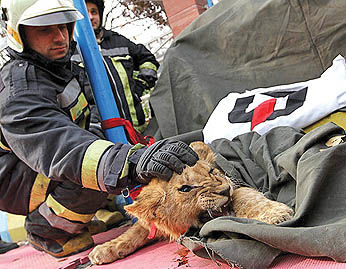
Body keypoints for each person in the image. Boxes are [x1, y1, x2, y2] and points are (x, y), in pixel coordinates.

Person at [0, 0, 198, 258]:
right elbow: (60, 147)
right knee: (95, 172)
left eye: (64, 27)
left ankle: (73, 217)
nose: (60, 37)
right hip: (15, 179)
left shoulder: (56, 67)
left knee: (106, 162)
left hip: (34, 166)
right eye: (45, 30)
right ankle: (47, 230)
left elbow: (90, 110)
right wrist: (132, 162)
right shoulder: (20, 89)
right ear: (19, 34)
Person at [73, 0, 159, 136]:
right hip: (103, 134)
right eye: (85, 13)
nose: (90, 17)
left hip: (138, 128)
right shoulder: (73, 52)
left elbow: (148, 59)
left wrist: (140, 86)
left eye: (94, 12)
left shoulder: (118, 41)